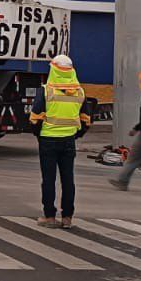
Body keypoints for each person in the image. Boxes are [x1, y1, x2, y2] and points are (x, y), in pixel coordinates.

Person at [30, 54, 91, 229]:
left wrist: (40, 135)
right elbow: (86, 120)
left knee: (48, 179)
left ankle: (49, 216)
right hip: (68, 141)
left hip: (48, 140)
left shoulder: (46, 90)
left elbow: (35, 118)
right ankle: (67, 218)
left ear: (54, 70)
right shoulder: (79, 92)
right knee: (68, 179)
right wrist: (75, 134)